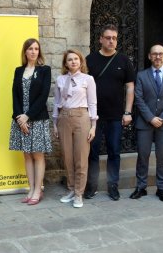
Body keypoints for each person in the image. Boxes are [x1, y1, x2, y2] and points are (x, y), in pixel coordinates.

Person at [85, 24, 135, 201]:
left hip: (115, 116)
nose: (111, 41)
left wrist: (127, 112)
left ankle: (113, 185)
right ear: (100, 39)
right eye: (108, 37)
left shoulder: (123, 61)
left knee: (114, 151)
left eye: (114, 38)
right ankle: (91, 185)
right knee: (93, 151)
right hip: (94, 116)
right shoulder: (89, 60)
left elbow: (130, 87)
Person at [129, 45, 163, 203]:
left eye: (160, 54)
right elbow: (138, 99)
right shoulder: (141, 75)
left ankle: (161, 188)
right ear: (149, 57)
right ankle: (141, 187)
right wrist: (151, 118)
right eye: (154, 54)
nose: (157, 57)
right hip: (145, 122)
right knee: (143, 155)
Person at [9, 38, 52, 206]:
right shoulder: (18, 71)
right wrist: (20, 118)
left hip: (37, 119)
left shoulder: (44, 70)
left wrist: (28, 116)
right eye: (30, 49)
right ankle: (31, 188)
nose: (33, 51)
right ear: (25, 52)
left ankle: (38, 190)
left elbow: (43, 96)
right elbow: (14, 95)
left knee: (38, 155)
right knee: (26, 154)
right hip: (21, 120)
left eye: (36, 49)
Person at [53, 49, 98, 208]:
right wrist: (55, 124)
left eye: (76, 59)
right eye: (70, 59)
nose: (73, 62)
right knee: (67, 157)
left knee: (81, 157)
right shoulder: (60, 79)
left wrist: (93, 126)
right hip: (64, 118)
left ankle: (79, 193)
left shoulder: (88, 79)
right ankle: (71, 189)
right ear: (65, 63)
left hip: (82, 118)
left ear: (80, 61)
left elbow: (92, 103)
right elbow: (57, 103)